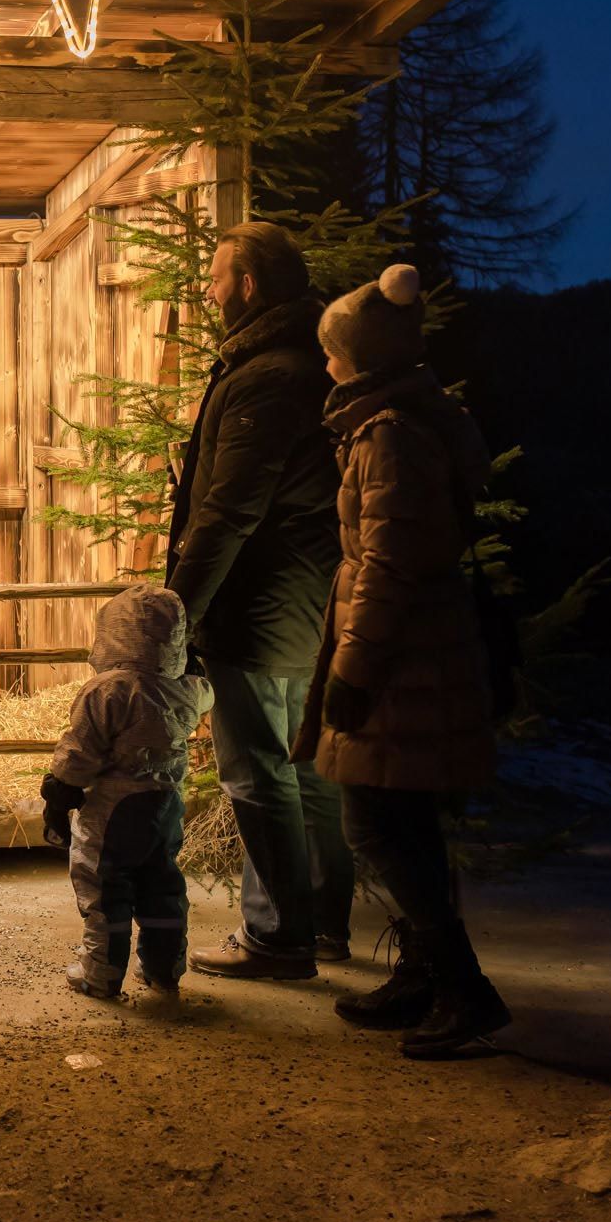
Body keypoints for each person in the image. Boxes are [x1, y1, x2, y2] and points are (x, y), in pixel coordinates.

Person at [295, 262, 508, 1059]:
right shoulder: (390, 419)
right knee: (401, 816)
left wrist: (354, 667)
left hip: (402, 655)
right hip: (411, 647)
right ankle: (424, 973)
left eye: (331, 351)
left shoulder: (391, 434)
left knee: (376, 822)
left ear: (357, 356)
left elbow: (387, 560)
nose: (325, 365)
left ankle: (462, 987)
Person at [168, 223, 353, 981]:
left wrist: (175, 613)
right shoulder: (300, 363)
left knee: (258, 771)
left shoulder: (266, 376)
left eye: (216, 279)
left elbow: (229, 511)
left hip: (262, 606)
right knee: (307, 770)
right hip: (305, 602)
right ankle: (322, 926)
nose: (207, 292)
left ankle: (279, 937)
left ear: (247, 286)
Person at [41, 587, 212, 1001]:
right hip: (166, 804)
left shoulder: (109, 690)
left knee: (105, 889)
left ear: (113, 634)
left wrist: (59, 792)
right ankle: (164, 969)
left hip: (115, 809)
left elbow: (81, 747)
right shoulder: (188, 689)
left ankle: (100, 973)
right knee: (162, 885)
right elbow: (207, 688)